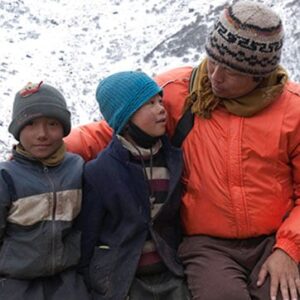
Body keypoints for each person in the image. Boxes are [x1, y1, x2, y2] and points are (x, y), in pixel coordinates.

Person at [65, 1, 300, 299]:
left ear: (259, 76)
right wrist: (48, 150)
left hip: (275, 238)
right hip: (207, 244)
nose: (215, 77)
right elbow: (111, 129)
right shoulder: (179, 91)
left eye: (232, 72)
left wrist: (289, 249)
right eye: (212, 61)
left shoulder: (292, 110)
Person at [78, 71, 190, 300]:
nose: (161, 108)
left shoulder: (174, 159)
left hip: (171, 274)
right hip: (124, 281)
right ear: (125, 116)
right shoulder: (100, 172)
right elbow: (88, 236)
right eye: (149, 104)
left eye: (160, 101)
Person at [0, 81, 90, 300]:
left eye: (52, 124)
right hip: (15, 285)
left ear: (64, 128)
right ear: (17, 130)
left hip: (69, 284)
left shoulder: (77, 168)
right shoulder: (6, 177)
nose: (42, 134)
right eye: (30, 124)